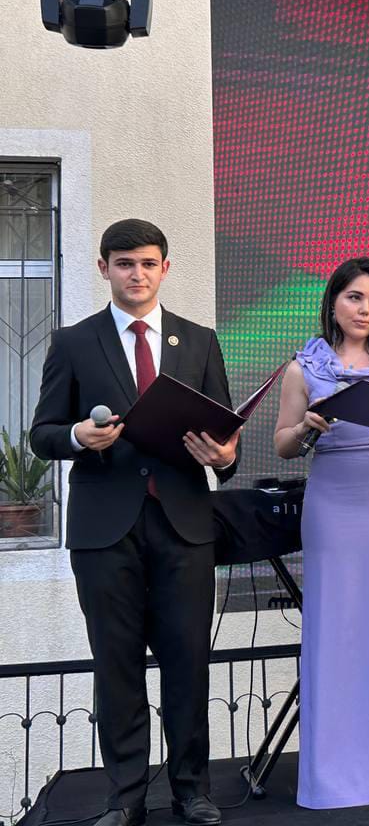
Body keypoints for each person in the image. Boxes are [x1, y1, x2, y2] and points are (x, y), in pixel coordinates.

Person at [30, 219, 240, 826]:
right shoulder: (73, 342)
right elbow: (43, 434)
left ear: (165, 268)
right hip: (104, 530)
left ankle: (192, 790)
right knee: (116, 665)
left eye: (148, 263)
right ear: (104, 268)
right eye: (125, 263)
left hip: (184, 526)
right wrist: (77, 435)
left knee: (188, 662)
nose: (137, 274)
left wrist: (225, 458)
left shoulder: (199, 340)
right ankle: (125, 798)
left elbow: (224, 437)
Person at [273, 257, 369, 808]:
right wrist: (308, 426)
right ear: (334, 301)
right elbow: (283, 444)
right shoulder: (303, 367)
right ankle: (334, 776)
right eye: (355, 297)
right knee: (336, 628)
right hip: (335, 501)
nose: (365, 310)